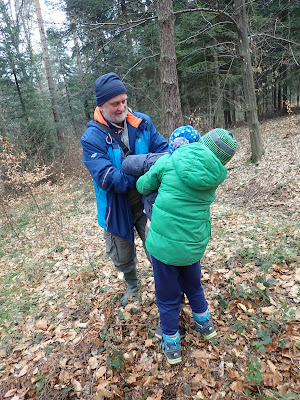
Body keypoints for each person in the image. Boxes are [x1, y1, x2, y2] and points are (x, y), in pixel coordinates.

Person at [136, 126, 237, 364]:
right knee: (194, 287)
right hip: (192, 247)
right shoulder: (214, 175)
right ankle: (205, 326)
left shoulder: (170, 160)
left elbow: (143, 185)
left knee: (167, 296)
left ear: (202, 142)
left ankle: (171, 344)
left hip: (163, 249)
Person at [81, 72, 168, 306]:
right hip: (115, 208)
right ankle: (132, 284)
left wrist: (145, 178)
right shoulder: (92, 138)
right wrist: (146, 175)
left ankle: (168, 287)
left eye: (124, 101)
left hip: (149, 202)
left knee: (159, 248)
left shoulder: (143, 123)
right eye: (114, 103)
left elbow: (164, 153)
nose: (122, 108)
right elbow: (108, 178)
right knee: (121, 254)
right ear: (101, 105)